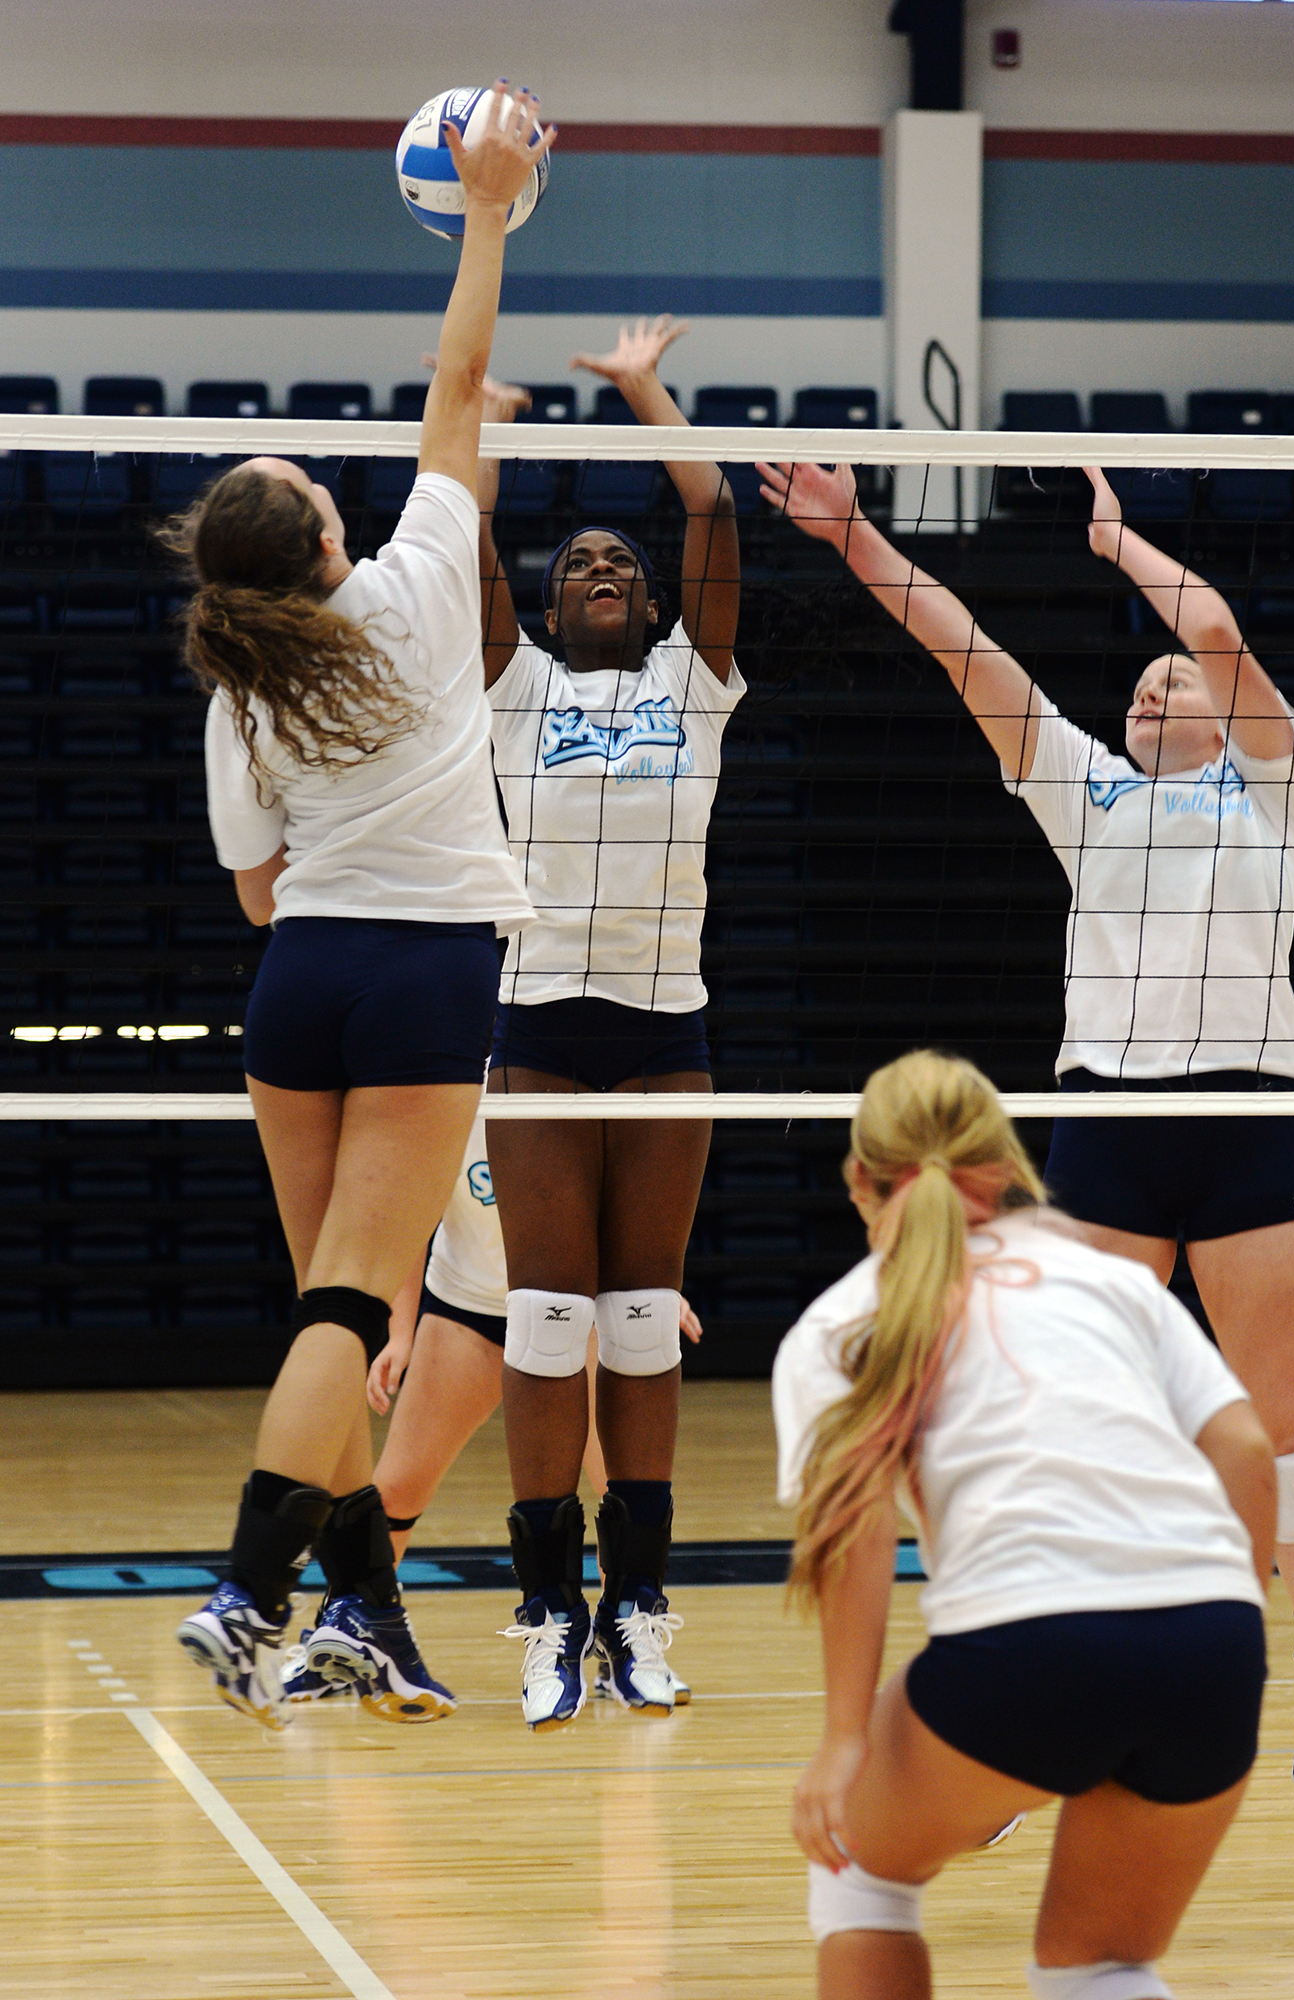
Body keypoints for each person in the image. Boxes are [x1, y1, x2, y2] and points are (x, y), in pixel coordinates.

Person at [759, 456, 1294, 1854]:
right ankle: (1013, 1728)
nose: (1152, 691)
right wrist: (856, 532)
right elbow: (960, 647)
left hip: (1250, 1120)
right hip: (1109, 1123)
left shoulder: (1271, 789)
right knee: (1061, 1420)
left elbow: (1221, 641)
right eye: (1141, 687)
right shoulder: (1086, 795)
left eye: (1168, 686)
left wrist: (1122, 549)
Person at [170, 86, 552, 1729]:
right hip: (416, 985)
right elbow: (457, 387)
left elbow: (254, 890)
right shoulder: (413, 586)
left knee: (340, 1317)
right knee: (351, 1311)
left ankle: (362, 1618)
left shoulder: (239, 696)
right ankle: (248, 1596)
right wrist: (489, 207)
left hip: (302, 984)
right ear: (328, 531)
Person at [773, 1049, 1277, 2000]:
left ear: (856, 1181)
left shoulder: (840, 1326)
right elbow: (1249, 1453)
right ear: (1003, 1169)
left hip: (1025, 1646)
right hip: (1210, 1643)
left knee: (860, 1879)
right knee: (1103, 1967)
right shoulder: (1108, 1282)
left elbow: (858, 1533)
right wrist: (1228, 1624)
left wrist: (844, 1740)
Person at [479, 314, 742, 1729]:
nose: (600, 568)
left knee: (641, 1318)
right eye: (576, 559)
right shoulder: (514, 689)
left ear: (648, 610)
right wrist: (489, 438)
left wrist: (644, 393)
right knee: (544, 1314)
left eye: (619, 566)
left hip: (663, 1027)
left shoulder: (693, 688)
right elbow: (463, 541)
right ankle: (544, 1613)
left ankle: (637, 1603)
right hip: (534, 1025)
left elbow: (710, 510)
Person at [279, 1128, 701, 1712]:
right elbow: (408, 1222)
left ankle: (621, 1646)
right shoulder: (453, 1086)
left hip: (578, 1313)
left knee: (619, 1488)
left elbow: (631, 1205)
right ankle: (347, 1632)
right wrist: (400, 1334)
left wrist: (651, 1294)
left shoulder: (570, 1084)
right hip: (469, 1312)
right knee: (396, 1487)